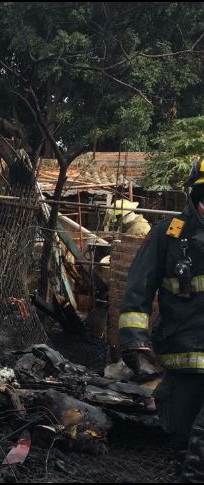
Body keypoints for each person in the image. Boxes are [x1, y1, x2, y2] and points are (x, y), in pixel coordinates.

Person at [119, 158, 204, 479]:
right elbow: (138, 289)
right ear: (196, 194)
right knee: (182, 441)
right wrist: (134, 341)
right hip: (182, 357)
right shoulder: (169, 235)